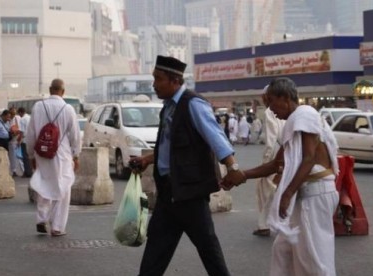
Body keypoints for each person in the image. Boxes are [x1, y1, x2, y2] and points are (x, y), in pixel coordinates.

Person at [130, 55, 245, 276]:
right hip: (168, 193)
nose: (154, 84)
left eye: (158, 78)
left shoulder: (193, 104)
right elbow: (169, 148)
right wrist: (147, 160)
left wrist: (232, 167)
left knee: (208, 248)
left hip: (190, 194)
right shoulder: (168, 108)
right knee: (156, 251)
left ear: (174, 80)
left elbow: (216, 137)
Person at [222, 77, 339, 276]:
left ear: (285, 98)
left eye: (271, 102)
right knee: (282, 251)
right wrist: (240, 176)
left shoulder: (305, 115)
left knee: (314, 261)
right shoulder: (293, 122)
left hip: (315, 195)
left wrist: (287, 194)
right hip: (305, 196)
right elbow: (276, 165)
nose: (270, 109)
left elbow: (309, 158)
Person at [25, 79, 81, 237]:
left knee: (44, 183)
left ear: (50, 90)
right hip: (61, 154)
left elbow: (31, 134)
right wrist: (76, 155)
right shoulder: (68, 109)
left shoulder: (38, 106)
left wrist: (31, 155)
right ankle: (57, 227)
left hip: (42, 153)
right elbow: (75, 136)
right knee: (63, 187)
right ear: (63, 91)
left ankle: (41, 219)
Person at [252, 87, 286, 237]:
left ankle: (264, 224)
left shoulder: (269, 112)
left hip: (276, 153)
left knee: (266, 188)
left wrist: (268, 161)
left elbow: (271, 140)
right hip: (282, 152)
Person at [17, 107, 33, 177]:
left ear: (20, 112)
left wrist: (19, 140)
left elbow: (21, 132)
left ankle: (27, 172)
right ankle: (30, 171)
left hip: (24, 140)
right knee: (30, 156)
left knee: (25, 157)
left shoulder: (22, 119)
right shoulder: (30, 118)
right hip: (31, 139)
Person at [8, 107, 22, 176]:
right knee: (11, 156)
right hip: (10, 140)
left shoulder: (18, 118)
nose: (13, 115)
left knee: (17, 156)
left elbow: (21, 128)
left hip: (16, 139)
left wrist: (19, 137)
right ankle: (13, 170)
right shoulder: (8, 119)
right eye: (11, 113)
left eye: (14, 113)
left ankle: (16, 170)